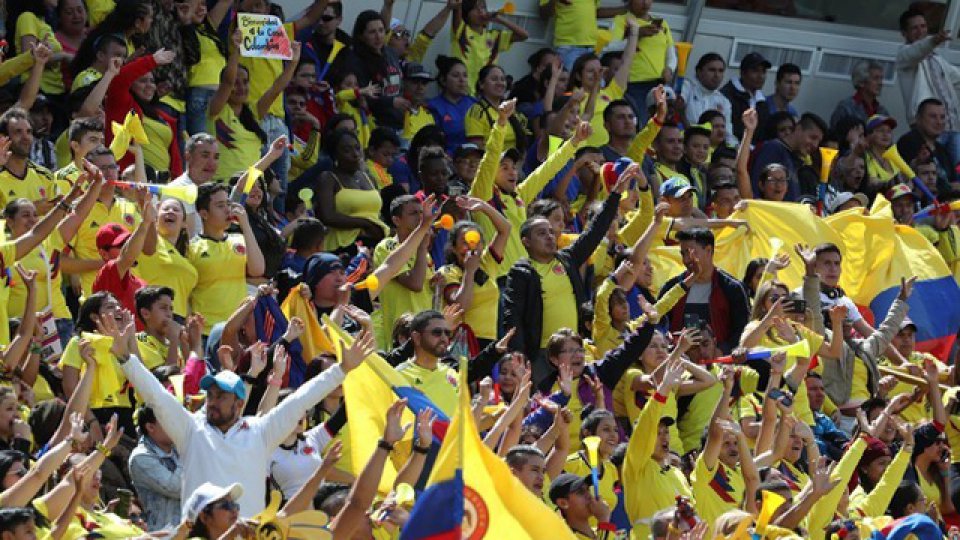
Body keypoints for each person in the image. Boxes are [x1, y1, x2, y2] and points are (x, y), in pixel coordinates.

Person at [116, 304, 374, 517]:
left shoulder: (260, 431)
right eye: (211, 394)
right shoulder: (191, 430)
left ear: (239, 404)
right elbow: (157, 397)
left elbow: (302, 400)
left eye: (222, 396)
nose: (213, 401)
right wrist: (126, 360)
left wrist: (341, 370)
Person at [503, 164, 630, 384]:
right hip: (541, 355)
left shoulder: (567, 259)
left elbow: (594, 231)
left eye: (551, 232)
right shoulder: (521, 272)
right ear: (526, 242)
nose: (550, 237)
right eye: (542, 234)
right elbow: (512, 317)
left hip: (573, 351)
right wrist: (519, 355)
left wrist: (615, 194)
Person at [188, 182, 265, 334]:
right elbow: (186, 294)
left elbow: (257, 270)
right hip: (207, 332)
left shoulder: (240, 239)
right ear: (204, 214)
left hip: (240, 329)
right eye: (220, 205)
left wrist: (246, 226)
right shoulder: (191, 248)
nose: (228, 210)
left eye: (228, 204)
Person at [660, 228, 749, 354]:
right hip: (679, 363)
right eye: (683, 254)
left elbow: (742, 329)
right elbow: (658, 325)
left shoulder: (732, 288)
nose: (686, 260)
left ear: (708, 250)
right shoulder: (672, 287)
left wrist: (723, 350)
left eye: (691, 253)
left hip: (720, 365)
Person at [896, 8, 960, 166]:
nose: (921, 31)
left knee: (957, 178)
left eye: (923, 26)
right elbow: (916, 51)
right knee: (931, 175)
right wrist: (934, 41)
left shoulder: (936, 58)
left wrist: (932, 44)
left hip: (952, 128)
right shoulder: (904, 55)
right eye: (915, 28)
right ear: (904, 33)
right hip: (927, 131)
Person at [314, 129, 389, 253]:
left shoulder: (369, 178)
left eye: (357, 148)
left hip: (375, 246)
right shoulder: (328, 178)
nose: (355, 154)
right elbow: (327, 216)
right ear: (335, 154)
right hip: (342, 248)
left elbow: (377, 213)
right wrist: (365, 223)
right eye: (347, 150)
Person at [136, 198, 198, 322]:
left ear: (184, 223)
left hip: (178, 320)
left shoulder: (186, 256)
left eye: (176, 210)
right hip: (152, 316)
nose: (170, 212)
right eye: (165, 209)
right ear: (156, 217)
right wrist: (144, 203)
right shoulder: (150, 242)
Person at [749, 112, 827, 202]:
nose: (815, 145)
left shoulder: (794, 159)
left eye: (818, 141)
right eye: (812, 137)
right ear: (798, 129)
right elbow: (756, 189)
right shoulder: (774, 149)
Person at [451, 0, 529, 89]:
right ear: (466, 13)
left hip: (487, 92)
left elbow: (524, 35)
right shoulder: (462, 31)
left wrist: (499, 19)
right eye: (476, 9)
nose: (481, 11)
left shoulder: (495, 36)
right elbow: (458, 5)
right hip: (464, 90)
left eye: (483, 7)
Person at [129, 404, 182, 531]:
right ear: (150, 427)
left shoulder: (178, 450)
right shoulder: (140, 458)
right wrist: (187, 453)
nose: (176, 425)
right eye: (169, 421)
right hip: (163, 534)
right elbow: (176, 487)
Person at [897, 98, 959, 197]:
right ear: (918, 119)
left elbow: (953, 178)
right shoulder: (909, 142)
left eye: (942, 117)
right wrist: (949, 187)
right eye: (933, 116)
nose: (939, 122)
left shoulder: (941, 149)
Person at [0, 108, 56, 211]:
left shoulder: (44, 176)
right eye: (18, 132)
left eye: (29, 132)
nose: (25, 137)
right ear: (3, 138)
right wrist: (30, 209)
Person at [681, 53, 736, 147]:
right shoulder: (686, 87)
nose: (717, 75)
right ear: (699, 72)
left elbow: (728, 134)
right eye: (712, 70)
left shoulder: (724, 101)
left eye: (720, 71)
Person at [170, 133, 219, 237]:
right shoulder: (175, 191)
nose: (212, 163)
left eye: (216, 157)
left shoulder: (217, 194)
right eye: (205, 156)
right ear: (188, 156)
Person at [429, 55, 477, 154]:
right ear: (443, 80)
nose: (462, 80)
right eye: (456, 75)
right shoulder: (433, 107)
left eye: (465, 75)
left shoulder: (475, 104)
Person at [721, 52, 771, 144]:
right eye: (755, 71)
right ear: (743, 73)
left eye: (763, 71)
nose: (760, 76)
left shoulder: (762, 102)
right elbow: (727, 133)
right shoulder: (726, 96)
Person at [830, 60, 889, 131]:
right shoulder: (846, 108)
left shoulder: (882, 111)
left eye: (881, 78)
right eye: (875, 78)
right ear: (861, 82)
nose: (880, 83)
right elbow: (834, 136)